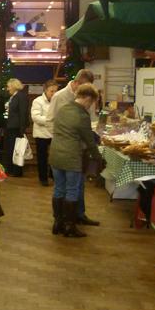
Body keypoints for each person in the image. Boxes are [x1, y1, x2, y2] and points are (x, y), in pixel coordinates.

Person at [48, 83, 103, 238]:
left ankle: (57, 223)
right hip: (72, 157)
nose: (90, 105)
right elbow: (90, 141)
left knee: (59, 189)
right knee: (72, 190)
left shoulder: (63, 109)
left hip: (55, 154)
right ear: (86, 98)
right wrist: (99, 158)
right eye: (91, 102)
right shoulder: (82, 116)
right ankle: (69, 227)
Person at [31, 79, 59, 186]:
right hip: (41, 134)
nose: (54, 93)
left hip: (54, 134)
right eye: (52, 91)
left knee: (55, 157)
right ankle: (43, 179)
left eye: (56, 91)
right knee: (42, 158)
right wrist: (51, 120)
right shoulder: (38, 101)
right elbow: (36, 117)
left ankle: (53, 175)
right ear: (45, 90)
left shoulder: (58, 101)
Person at [2, 78, 29, 177]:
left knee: (16, 150)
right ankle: (10, 169)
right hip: (10, 127)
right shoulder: (13, 97)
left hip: (16, 128)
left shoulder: (21, 97)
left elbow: (23, 113)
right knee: (10, 149)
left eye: (8, 86)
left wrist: (22, 130)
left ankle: (17, 171)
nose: (7, 89)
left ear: (13, 86)